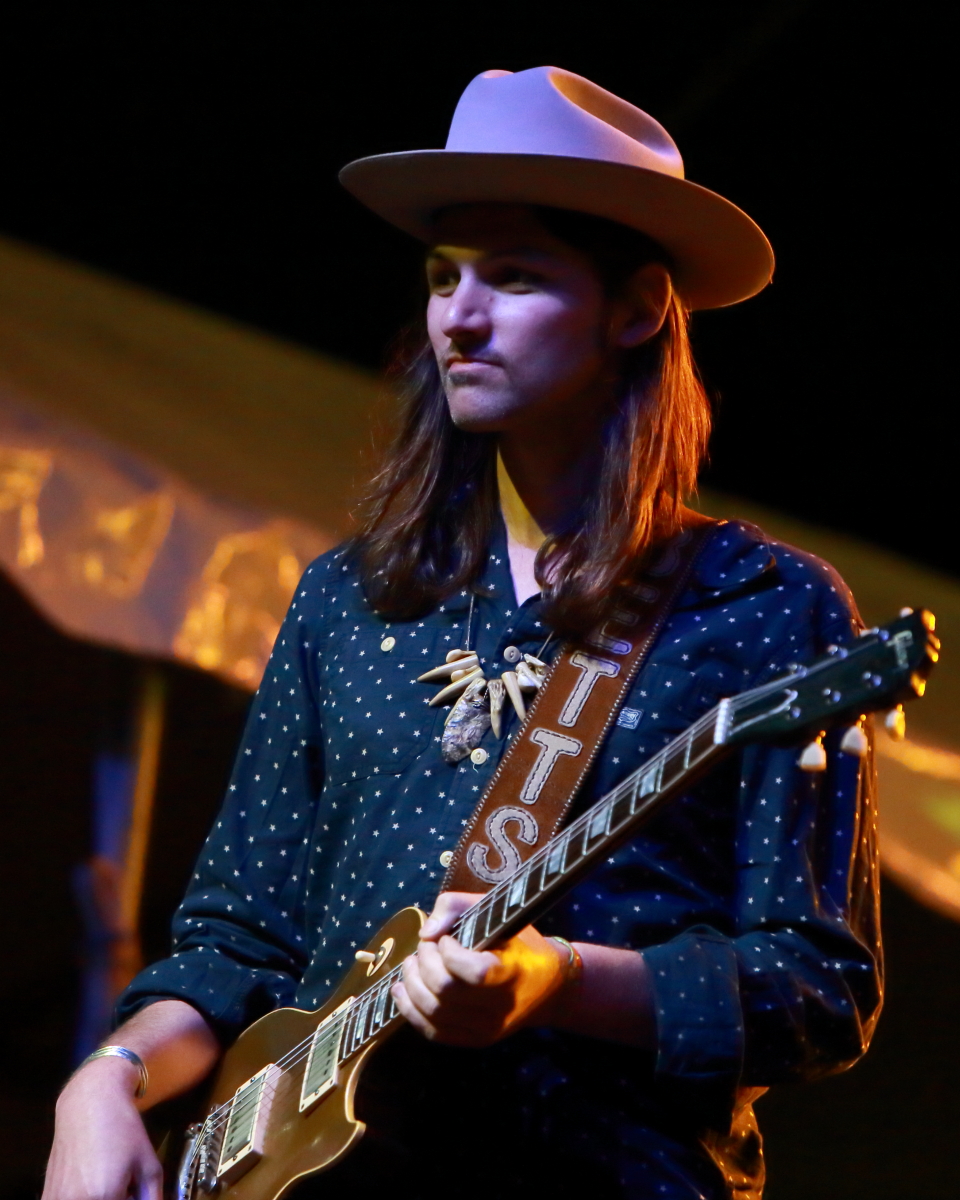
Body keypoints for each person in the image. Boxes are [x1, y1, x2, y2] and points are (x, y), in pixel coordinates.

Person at [43, 67, 882, 1200]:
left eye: (515, 276)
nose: (460, 317)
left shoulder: (764, 604)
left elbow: (818, 993)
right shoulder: (347, 598)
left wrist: (557, 980)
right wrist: (105, 1079)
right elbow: (236, 941)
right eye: (445, 276)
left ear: (637, 308)